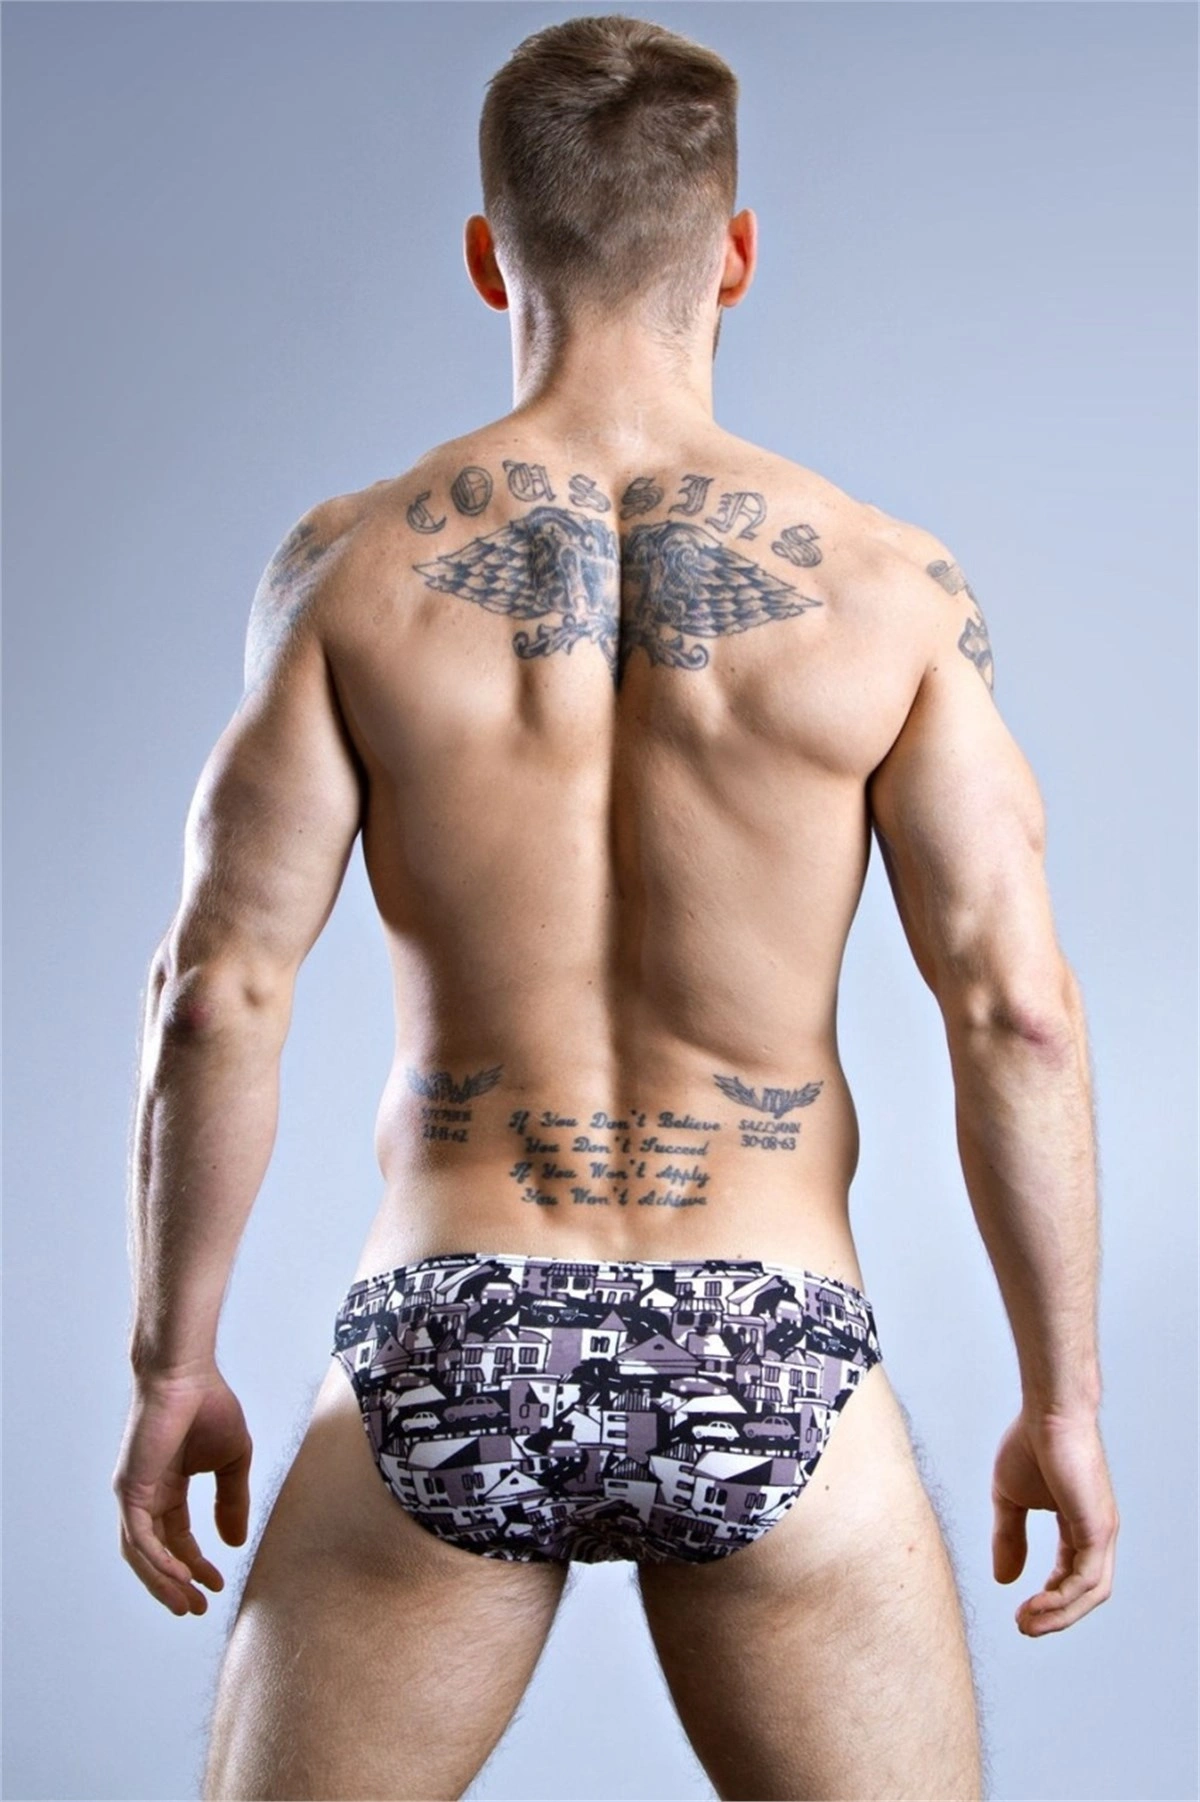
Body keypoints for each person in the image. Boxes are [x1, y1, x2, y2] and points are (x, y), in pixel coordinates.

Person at [112, 13, 1119, 1800]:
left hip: (451, 1319)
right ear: (735, 253)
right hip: (770, 1326)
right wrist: (1065, 1400)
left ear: (489, 251)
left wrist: (170, 1363)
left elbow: (216, 992)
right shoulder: (892, 589)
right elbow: (1014, 1008)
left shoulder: (348, 571)